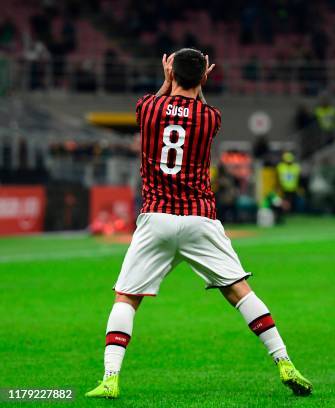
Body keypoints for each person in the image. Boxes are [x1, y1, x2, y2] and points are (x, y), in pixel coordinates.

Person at [86, 49, 312, 399]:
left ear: (171, 72)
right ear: (205, 78)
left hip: (156, 217)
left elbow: (160, 102)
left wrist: (167, 81)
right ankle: (284, 361)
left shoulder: (147, 108)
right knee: (239, 291)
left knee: (127, 297)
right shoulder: (210, 117)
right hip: (199, 218)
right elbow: (198, 104)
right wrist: (194, 81)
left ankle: (110, 377)